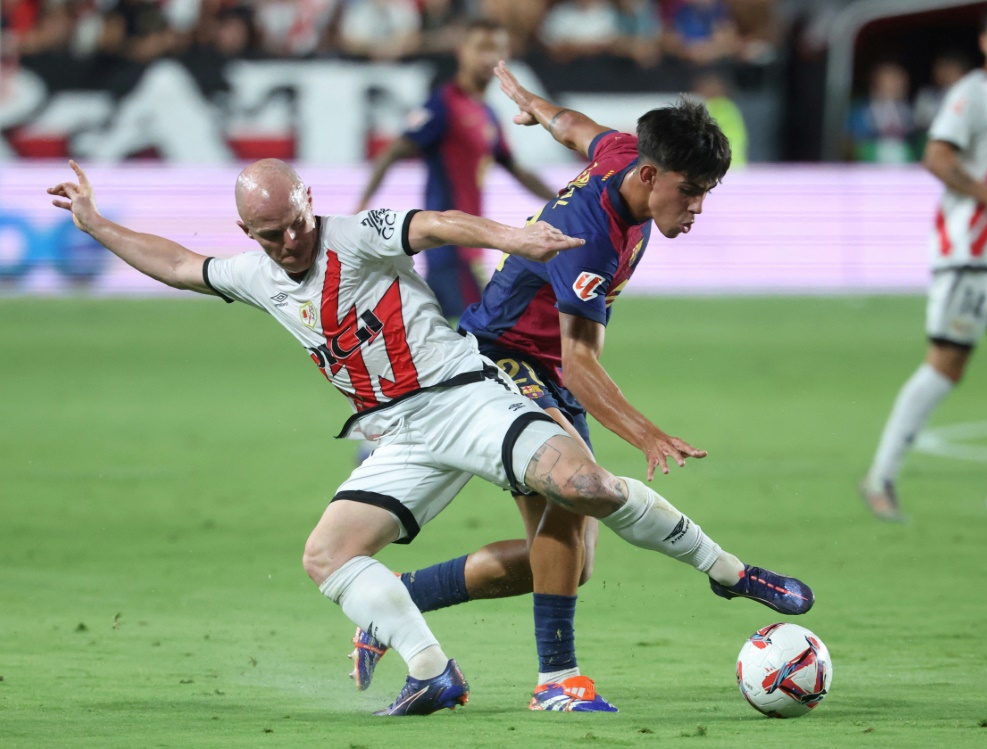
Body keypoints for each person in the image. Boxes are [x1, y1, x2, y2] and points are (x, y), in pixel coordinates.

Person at [48, 157, 813, 716]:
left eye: (296, 225)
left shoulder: (356, 234)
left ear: (313, 202)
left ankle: (727, 569)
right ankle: (431, 671)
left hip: (464, 395)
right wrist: (94, 223)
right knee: (326, 555)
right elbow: (181, 264)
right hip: (401, 434)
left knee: (584, 487)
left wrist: (514, 235)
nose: (289, 243)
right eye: (270, 235)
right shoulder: (257, 273)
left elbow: (435, 224)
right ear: (248, 232)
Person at [350, 62, 815, 712]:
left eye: (708, 191)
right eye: (691, 191)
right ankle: (561, 679)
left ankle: (395, 601)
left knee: (566, 560)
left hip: (539, 368)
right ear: (651, 177)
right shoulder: (589, 237)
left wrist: (530, 102)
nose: (699, 207)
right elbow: (580, 364)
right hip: (498, 359)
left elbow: (577, 128)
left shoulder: (628, 156)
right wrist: (645, 432)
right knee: (578, 494)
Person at [860, 3, 987, 521]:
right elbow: (937, 157)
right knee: (946, 365)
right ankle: (881, 475)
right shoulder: (972, 95)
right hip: (971, 253)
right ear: (986, 42)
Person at [355, 18, 554, 319]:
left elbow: (517, 169)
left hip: (467, 245)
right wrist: (363, 204)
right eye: (482, 48)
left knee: (454, 332)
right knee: (486, 330)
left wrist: (563, 199)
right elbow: (392, 152)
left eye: (498, 50)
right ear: (462, 52)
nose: (490, 58)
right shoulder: (443, 104)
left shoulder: (487, 113)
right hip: (449, 245)